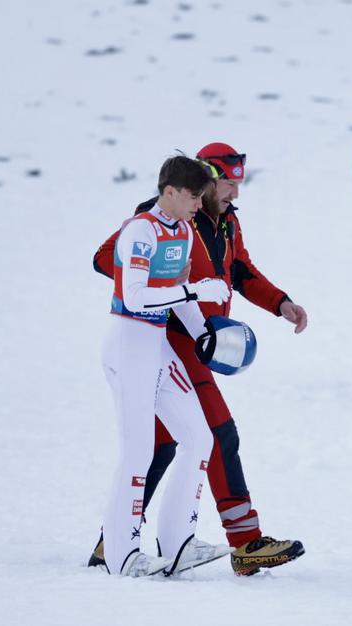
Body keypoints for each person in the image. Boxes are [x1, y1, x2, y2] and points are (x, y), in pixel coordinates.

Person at [90, 143, 308, 576]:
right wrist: (166, 293)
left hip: (197, 341)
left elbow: (241, 272)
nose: (234, 193)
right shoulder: (155, 219)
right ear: (201, 183)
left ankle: (111, 543)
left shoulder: (223, 223)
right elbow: (104, 259)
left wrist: (280, 303)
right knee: (216, 432)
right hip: (161, 341)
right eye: (227, 184)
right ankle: (245, 543)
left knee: (164, 444)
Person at [98, 155, 234, 577]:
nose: (200, 203)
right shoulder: (140, 231)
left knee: (199, 438)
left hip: (157, 344)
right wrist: (195, 292)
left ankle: (178, 545)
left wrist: (205, 334)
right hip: (130, 342)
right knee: (138, 449)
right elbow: (136, 296)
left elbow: (176, 293)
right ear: (170, 191)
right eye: (194, 195)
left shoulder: (183, 232)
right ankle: (121, 555)